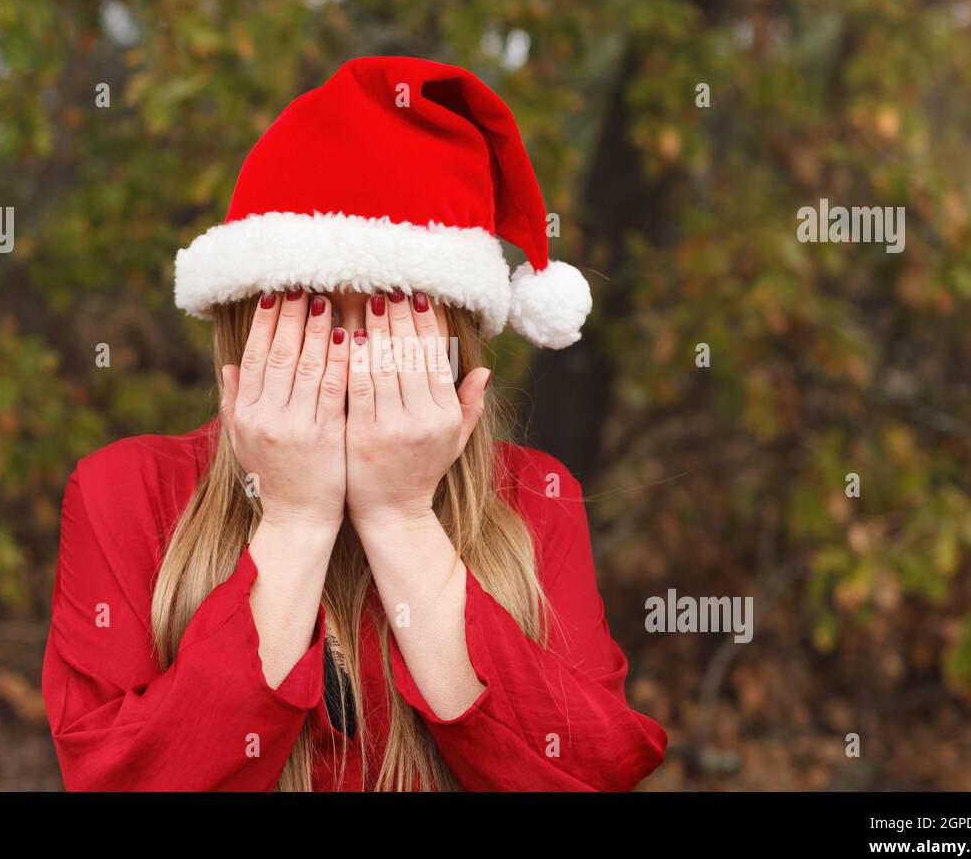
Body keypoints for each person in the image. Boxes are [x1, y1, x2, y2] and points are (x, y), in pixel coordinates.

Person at [41, 55, 667, 791]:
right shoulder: (126, 490)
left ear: (455, 337)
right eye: (308, 314)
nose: (343, 359)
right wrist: (297, 520)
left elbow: (590, 773)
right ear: (245, 321)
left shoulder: (534, 498)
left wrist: (402, 519)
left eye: (385, 314)